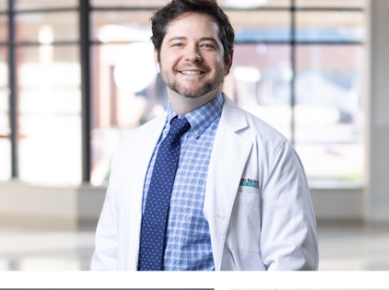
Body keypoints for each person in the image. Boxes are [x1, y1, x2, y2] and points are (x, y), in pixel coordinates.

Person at [91, 0, 318, 271]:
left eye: (207, 45)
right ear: (157, 57)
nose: (192, 56)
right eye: (178, 44)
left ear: (228, 60)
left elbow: (292, 263)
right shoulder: (131, 148)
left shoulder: (271, 149)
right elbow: (108, 254)